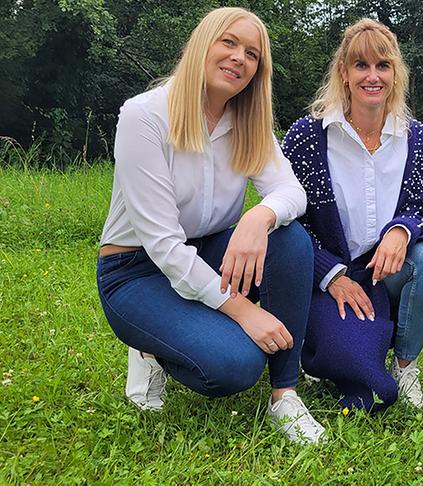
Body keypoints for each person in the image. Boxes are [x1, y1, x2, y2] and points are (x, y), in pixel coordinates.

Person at [96, 7, 325, 443]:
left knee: (290, 240)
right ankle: (151, 347)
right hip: (137, 271)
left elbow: (293, 193)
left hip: (209, 251)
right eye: (229, 43)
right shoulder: (144, 116)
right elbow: (163, 244)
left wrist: (259, 216)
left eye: (253, 54)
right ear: (203, 44)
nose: (240, 57)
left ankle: (285, 394)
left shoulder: (247, 121)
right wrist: (244, 312)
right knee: (234, 366)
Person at [281, 18, 423, 413]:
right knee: (358, 369)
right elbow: (290, 219)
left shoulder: (415, 135)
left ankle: (406, 366)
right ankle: (329, 346)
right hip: (329, 278)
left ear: (395, 74)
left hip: (382, 271)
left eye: (383, 66)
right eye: (361, 65)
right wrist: (330, 274)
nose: (372, 76)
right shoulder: (309, 135)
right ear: (343, 72)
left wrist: (402, 230)